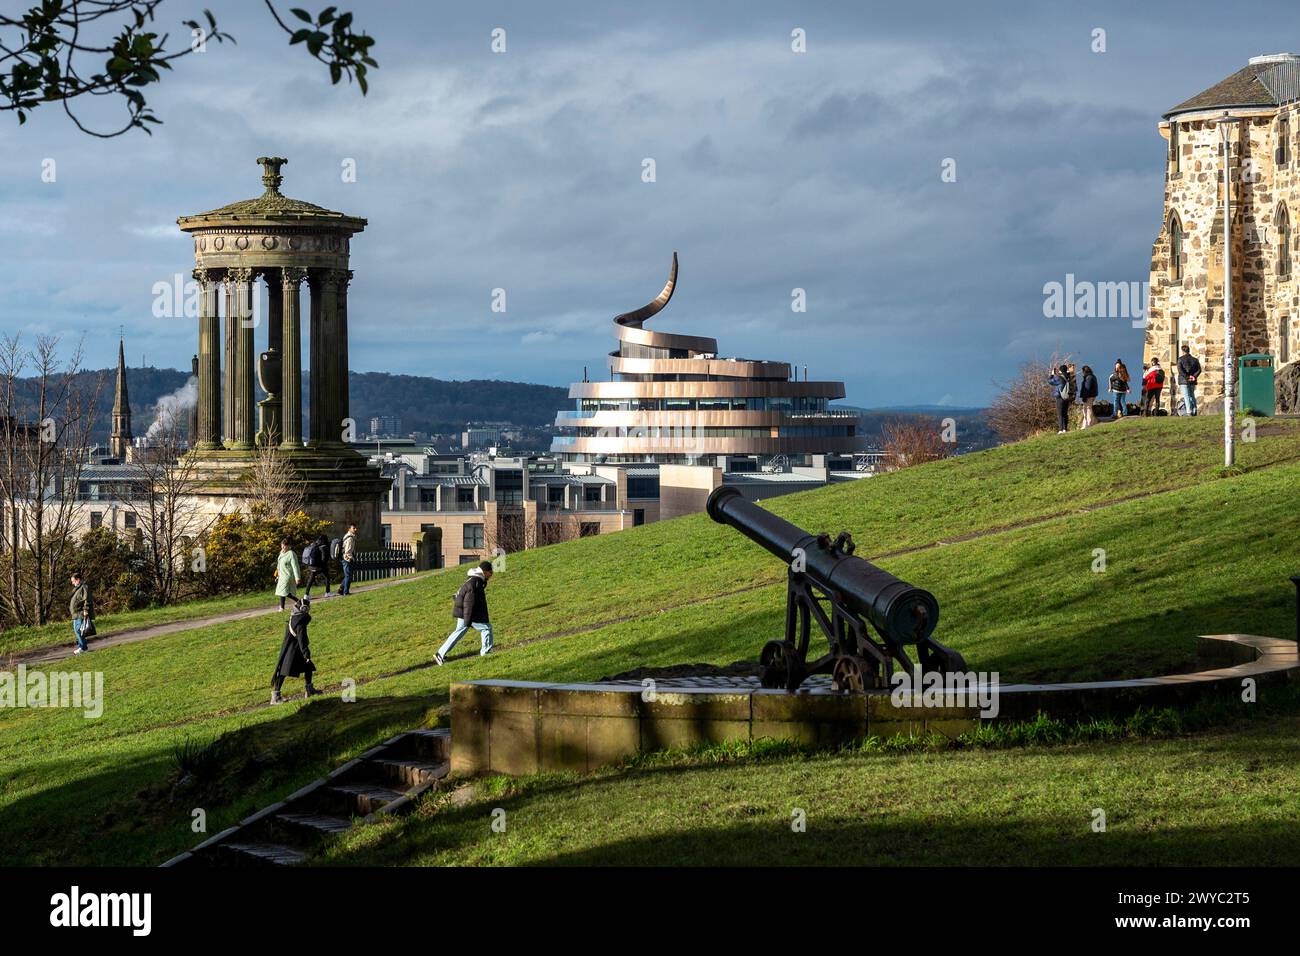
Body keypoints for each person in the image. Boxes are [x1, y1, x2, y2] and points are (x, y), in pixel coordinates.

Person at [435, 561, 495, 665]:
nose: (491, 574)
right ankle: (486, 652)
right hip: (466, 612)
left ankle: (440, 654)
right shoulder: (476, 582)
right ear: (485, 572)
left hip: (464, 611)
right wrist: (468, 620)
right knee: (486, 628)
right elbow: (469, 603)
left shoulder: (474, 579)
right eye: (490, 572)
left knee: (458, 632)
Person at [271, 597, 321, 704]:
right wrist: (306, 653)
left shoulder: (294, 617)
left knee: (308, 667)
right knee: (284, 671)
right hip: (294, 649)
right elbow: (301, 638)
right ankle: (276, 697)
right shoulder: (300, 622)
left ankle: (309, 690)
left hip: (292, 647)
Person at [69, 571, 94, 655]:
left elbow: (87, 599)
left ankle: (82, 647)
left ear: (78, 579)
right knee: (77, 630)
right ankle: (83, 647)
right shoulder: (77, 588)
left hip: (81, 612)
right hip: (75, 613)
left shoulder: (84, 587)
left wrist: (86, 610)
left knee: (78, 630)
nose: (72, 583)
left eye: (73, 581)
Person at [1048, 363, 1076, 434]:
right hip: (1067, 397)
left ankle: (1060, 430)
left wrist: (1052, 374)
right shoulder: (1069, 377)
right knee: (1065, 413)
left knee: (1060, 414)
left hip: (1059, 397)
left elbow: (1050, 382)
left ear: (1060, 371)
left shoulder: (1059, 378)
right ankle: (1065, 429)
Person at [275, 539, 301, 611]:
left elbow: (295, 566)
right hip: (281, 576)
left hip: (287, 576)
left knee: (283, 591)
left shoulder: (291, 554)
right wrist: (277, 575)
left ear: (288, 546)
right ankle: (298, 602)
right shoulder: (281, 553)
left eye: (284, 546)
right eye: (282, 546)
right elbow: (279, 565)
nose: (283, 548)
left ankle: (282, 607)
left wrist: (297, 577)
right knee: (283, 592)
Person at [1178, 344, 1202, 416]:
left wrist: (1187, 377)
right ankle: (1194, 410)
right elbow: (1199, 370)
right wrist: (1194, 376)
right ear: (1189, 350)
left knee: (1186, 396)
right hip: (1192, 380)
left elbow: (1180, 370)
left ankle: (1189, 412)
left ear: (1182, 351)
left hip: (1184, 381)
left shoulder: (1180, 359)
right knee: (1192, 395)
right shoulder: (1195, 360)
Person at [339, 523, 358, 596]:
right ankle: (345, 592)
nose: (355, 529)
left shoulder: (348, 536)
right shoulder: (350, 538)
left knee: (347, 575)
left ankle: (341, 590)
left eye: (355, 528)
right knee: (348, 576)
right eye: (354, 528)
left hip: (345, 558)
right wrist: (350, 558)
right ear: (349, 529)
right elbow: (347, 551)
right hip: (347, 559)